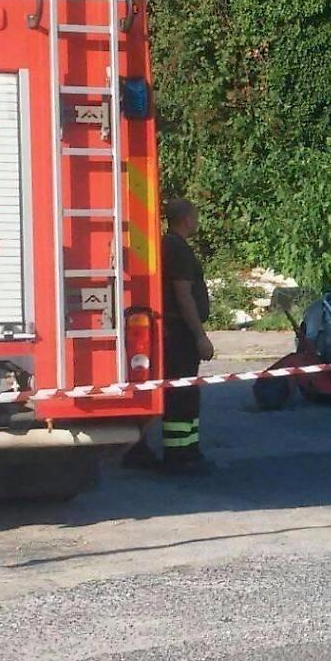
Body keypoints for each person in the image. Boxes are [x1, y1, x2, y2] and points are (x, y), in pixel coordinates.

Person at [123, 198, 216, 474]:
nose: (197, 222)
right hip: (180, 333)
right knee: (181, 392)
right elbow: (183, 295)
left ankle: (181, 449)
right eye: (195, 217)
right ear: (186, 219)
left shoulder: (168, 246)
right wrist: (200, 336)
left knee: (180, 390)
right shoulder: (178, 250)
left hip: (173, 330)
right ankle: (179, 454)